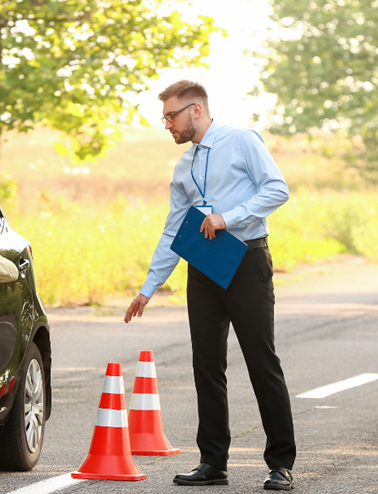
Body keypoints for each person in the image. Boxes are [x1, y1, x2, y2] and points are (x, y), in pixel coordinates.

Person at [124, 80, 296, 491]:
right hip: (202, 264)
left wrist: (228, 217)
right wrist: (149, 287)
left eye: (172, 115)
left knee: (261, 360)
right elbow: (173, 230)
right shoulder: (183, 167)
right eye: (165, 116)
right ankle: (213, 461)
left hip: (246, 258)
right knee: (206, 365)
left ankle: (281, 463)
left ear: (196, 110)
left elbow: (277, 189)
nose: (167, 124)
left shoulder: (241, 142)